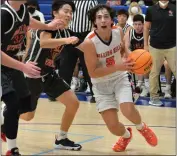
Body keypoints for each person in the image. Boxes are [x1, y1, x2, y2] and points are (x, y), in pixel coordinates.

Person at [76, 4, 158, 152]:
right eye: (99, 17)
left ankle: (142, 127)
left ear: (111, 20)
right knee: (113, 127)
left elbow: (122, 49)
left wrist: (131, 57)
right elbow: (93, 72)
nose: (103, 20)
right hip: (100, 84)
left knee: (127, 109)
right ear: (94, 22)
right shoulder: (89, 42)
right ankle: (126, 136)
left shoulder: (118, 31)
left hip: (119, 77)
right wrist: (118, 66)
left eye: (106, 16)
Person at [1, 0, 64, 155]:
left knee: (26, 104)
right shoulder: (4, 14)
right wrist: (23, 67)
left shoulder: (22, 9)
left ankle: (4, 122)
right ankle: (11, 149)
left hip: (12, 62)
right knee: (13, 102)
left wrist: (48, 26)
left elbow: (29, 21)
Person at [21, 0, 82, 151]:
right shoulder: (48, 25)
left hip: (48, 74)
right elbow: (44, 42)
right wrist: (67, 41)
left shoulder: (66, 32)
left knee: (73, 103)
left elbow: (81, 46)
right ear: (55, 13)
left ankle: (61, 138)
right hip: (32, 74)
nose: (69, 15)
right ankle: (6, 111)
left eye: (70, 12)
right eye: (65, 11)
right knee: (28, 116)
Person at [57, 0, 98, 103]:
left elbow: (95, 19)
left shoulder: (91, 2)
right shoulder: (70, 1)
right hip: (70, 34)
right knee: (65, 65)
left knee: (88, 66)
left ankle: (95, 94)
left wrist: (92, 37)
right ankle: (59, 93)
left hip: (85, 36)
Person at [144, 0, 176, 106]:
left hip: (172, 46)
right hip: (155, 46)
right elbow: (146, 27)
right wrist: (145, 44)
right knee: (154, 73)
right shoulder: (151, 9)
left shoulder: (174, 8)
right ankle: (153, 97)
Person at [124, 14, 150, 97]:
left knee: (143, 61)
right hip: (133, 56)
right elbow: (126, 47)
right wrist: (132, 56)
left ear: (143, 24)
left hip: (146, 56)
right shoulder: (130, 32)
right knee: (124, 61)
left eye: (139, 24)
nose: (137, 26)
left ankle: (144, 85)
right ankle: (129, 86)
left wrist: (140, 57)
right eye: (135, 24)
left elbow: (149, 47)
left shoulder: (147, 33)